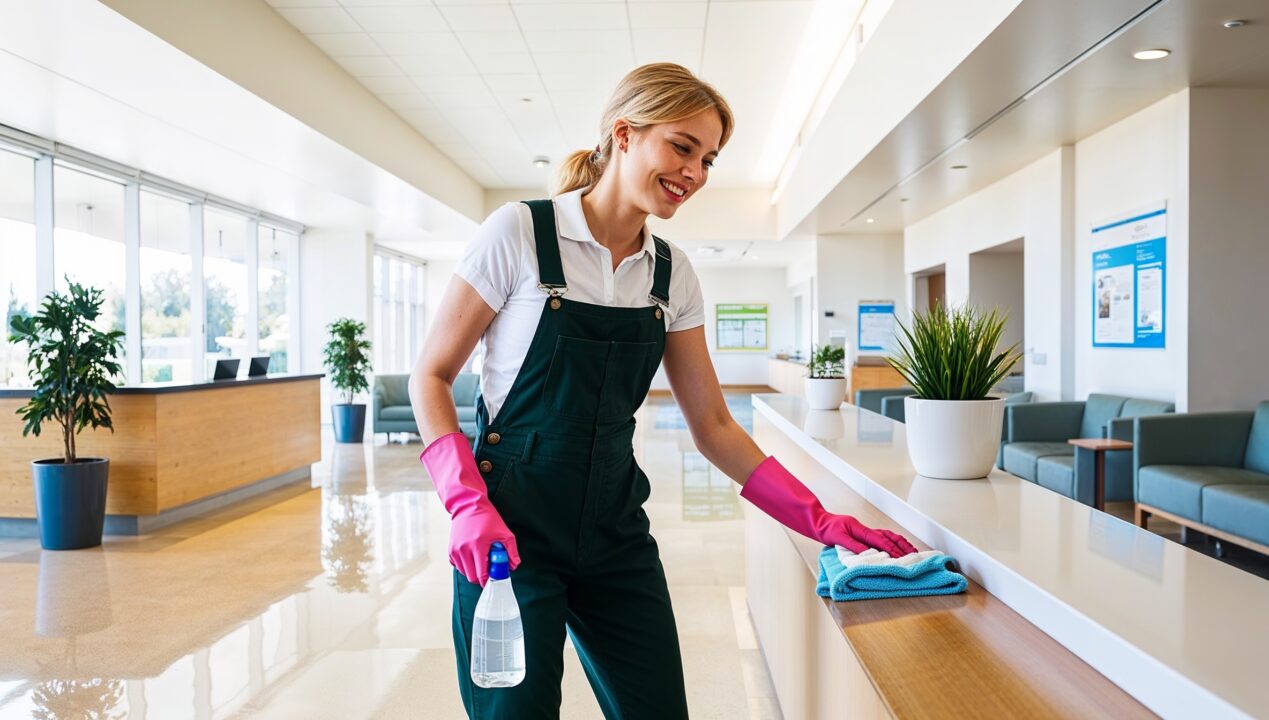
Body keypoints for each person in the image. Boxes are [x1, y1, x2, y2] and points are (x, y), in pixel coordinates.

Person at [409, 62, 917, 720]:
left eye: (708, 159)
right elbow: (431, 375)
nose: (696, 174)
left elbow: (712, 425)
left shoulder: (670, 275)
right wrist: (464, 504)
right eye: (682, 147)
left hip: (615, 533)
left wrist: (815, 518)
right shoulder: (520, 235)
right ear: (623, 134)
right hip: (508, 535)